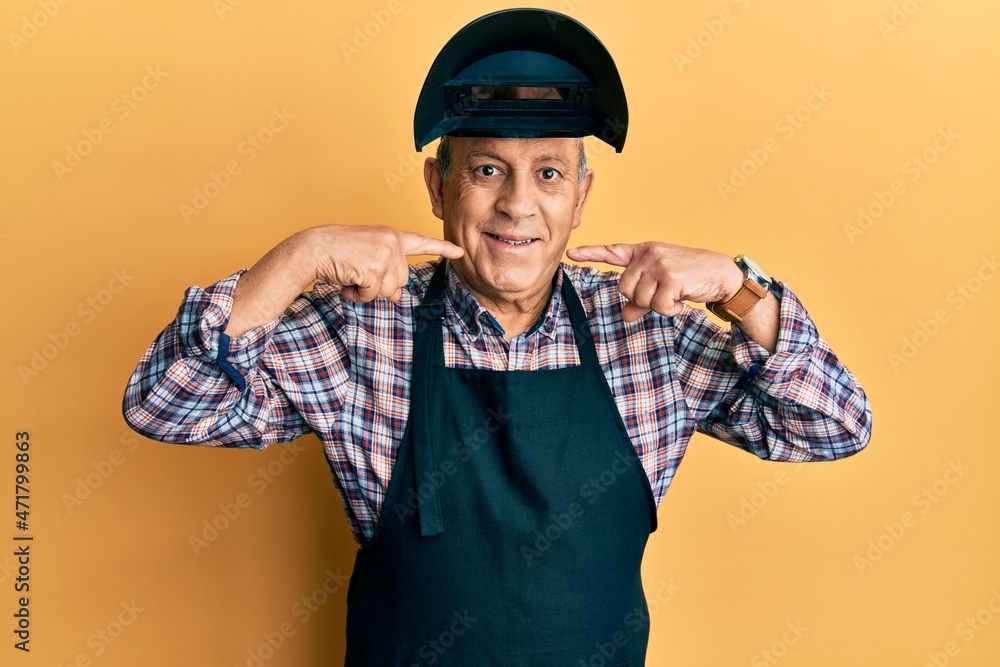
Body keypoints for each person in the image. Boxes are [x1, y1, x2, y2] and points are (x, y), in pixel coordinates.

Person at [123, 8, 871, 666]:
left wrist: (741, 291)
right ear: (437, 186)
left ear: (580, 196)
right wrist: (296, 259)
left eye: (548, 174)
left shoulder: (650, 331)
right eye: (487, 169)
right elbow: (163, 404)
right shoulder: (361, 330)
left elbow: (835, 425)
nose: (518, 205)